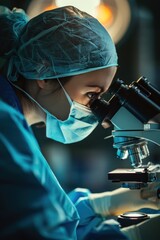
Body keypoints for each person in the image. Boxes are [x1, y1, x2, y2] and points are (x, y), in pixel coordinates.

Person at [0, 5, 159, 240]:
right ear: (44, 74)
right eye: (92, 95)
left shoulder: (16, 128)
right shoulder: (5, 127)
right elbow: (39, 233)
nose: (94, 109)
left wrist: (104, 204)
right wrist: (135, 235)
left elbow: (52, 215)